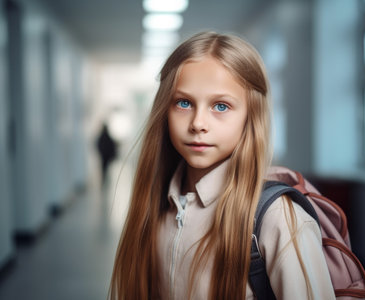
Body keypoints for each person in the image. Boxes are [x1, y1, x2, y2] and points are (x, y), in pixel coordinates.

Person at [109, 32, 335, 300]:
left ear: (250, 116)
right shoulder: (158, 207)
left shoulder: (277, 218)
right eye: (184, 103)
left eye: (221, 106)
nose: (198, 123)